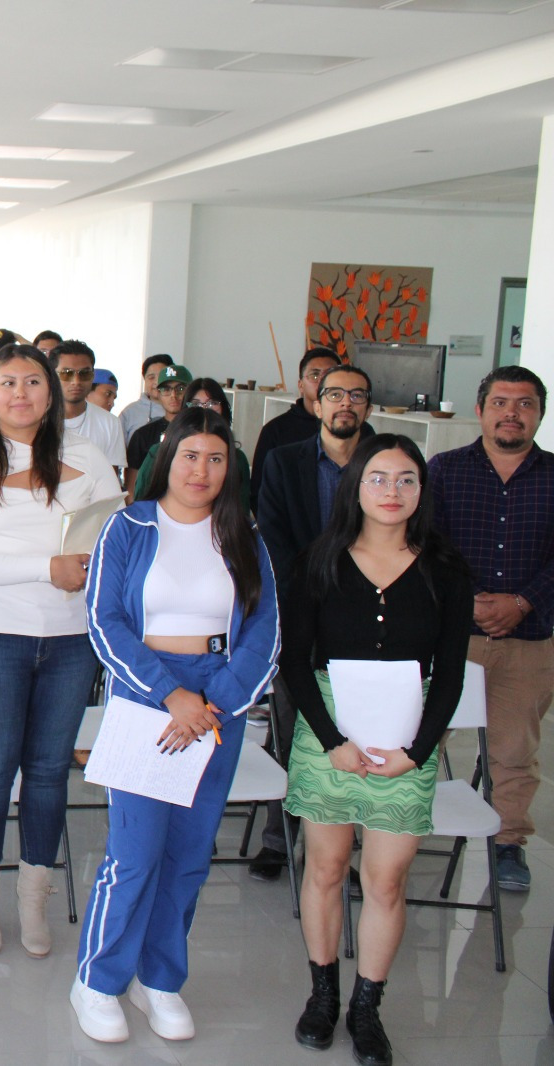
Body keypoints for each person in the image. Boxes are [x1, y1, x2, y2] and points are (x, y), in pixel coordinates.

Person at [72, 407, 279, 1044]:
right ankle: (98, 981)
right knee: (133, 856)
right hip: (147, 697)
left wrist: (212, 702)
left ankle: (158, 979)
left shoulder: (244, 532)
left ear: (231, 468)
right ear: (168, 457)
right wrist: (171, 696)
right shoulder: (128, 526)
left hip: (219, 703)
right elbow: (104, 621)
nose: (202, 470)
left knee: (189, 856)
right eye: (191, 456)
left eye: (216, 459)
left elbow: (266, 629)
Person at [282, 434, 471, 1066]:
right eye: (379, 478)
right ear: (354, 486)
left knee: (385, 880)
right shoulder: (319, 560)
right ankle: (323, 994)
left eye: (407, 480)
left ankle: (369, 1007)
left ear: (422, 490)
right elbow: (296, 664)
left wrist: (419, 752)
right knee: (326, 869)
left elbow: (448, 674)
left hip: (406, 743)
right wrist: (332, 741)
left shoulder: (446, 568)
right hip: (330, 737)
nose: (393, 492)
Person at [0, 344, 123, 959]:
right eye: (7, 383)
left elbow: (114, 539)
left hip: (72, 642)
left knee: (46, 773)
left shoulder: (89, 456)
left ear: (53, 393)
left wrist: (87, 571)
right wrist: (51, 567)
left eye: (33, 382)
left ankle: (34, 893)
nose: (22, 393)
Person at [428, 365, 554, 893]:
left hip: (530, 640)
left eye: (524, 404)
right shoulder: (443, 470)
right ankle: (401, 823)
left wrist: (524, 602)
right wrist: (469, 601)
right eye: (501, 402)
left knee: (514, 752)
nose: (512, 413)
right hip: (453, 636)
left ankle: (508, 844)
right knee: (423, 736)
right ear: (480, 410)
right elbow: (426, 546)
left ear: (539, 415)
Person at [252, 364, 376, 880]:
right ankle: (279, 839)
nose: (345, 403)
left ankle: (341, 846)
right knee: (290, 726)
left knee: (357, 733)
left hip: (368, 623)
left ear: (368, 406)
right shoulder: (285, 462)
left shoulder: (384, 460)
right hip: (300, 617)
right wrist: (313, 598)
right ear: (316, 402)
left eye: (356, 395)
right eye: (334, 394)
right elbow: (275, 541)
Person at [131, 379, 251, 509]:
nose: (204, 410)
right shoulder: (158, 453)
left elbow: (241, 509)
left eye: (212, 404)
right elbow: (142, 502)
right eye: (195, 404)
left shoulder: (237, 458)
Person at [252, 348, 341, 502]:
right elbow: (259, 491)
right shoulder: (275, 430)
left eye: (329, 374)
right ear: (300, 385)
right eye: (314, 375)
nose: (322, 381)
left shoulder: (356, 430)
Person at [52, 340, 127, 471]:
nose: (76, 381)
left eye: (84, 373)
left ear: (92, 376)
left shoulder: (110, 423)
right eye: (66, 373)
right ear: (52, 376)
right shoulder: (35, 420)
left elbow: (112, 482)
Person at [126, 364, 191, 482]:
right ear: (159, 394)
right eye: (166, 389)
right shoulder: (143, 435)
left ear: (191, 392)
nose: (173, 395)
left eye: (180, 389)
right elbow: (132, 487)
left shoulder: (200, 432)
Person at [120, 353, 175, 445]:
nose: (157, 382)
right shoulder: (129, 412)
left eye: (162, 376)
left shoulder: (178, 408)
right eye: (151, 377)